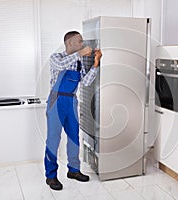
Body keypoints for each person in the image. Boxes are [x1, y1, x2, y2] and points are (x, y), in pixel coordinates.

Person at [44, 31, 102, 190]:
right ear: (70, 43)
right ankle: (51, 176)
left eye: (82, 42)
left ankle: (74, 170)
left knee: (74, 138)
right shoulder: (57, 58)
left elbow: (87, 82)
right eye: (80, 41)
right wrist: (81, 53)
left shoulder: (79, 62)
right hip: (56, 101)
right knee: (53, 139)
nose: (83, 44)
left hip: (72, 101)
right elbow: (62, 66)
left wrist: (95, 64)